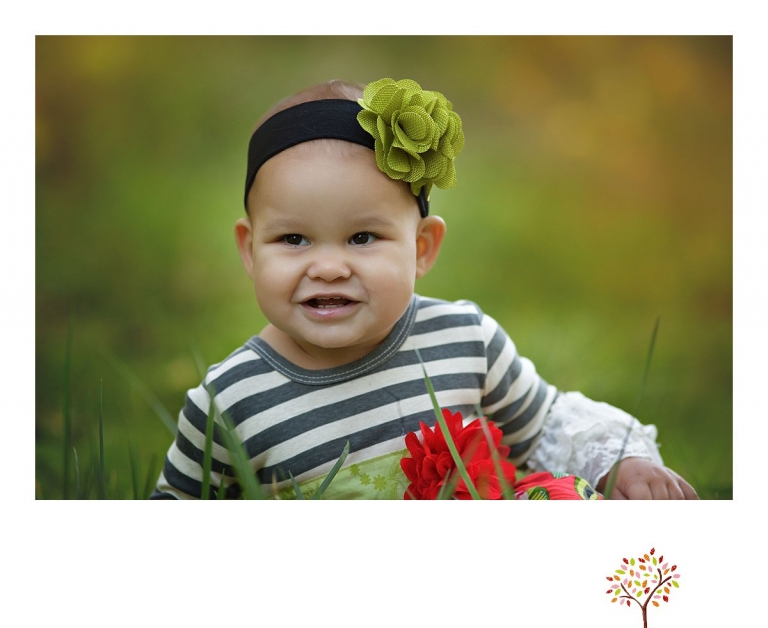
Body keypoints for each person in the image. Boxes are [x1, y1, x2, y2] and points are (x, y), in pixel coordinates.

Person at [150, 77, 698, 500]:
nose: (329, 267)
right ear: (250, 250)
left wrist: (619, 463)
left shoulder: (466, 342)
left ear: (421, 248)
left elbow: (550, 426)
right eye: (294, 239)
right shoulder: (231, 401)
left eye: (362, 237)